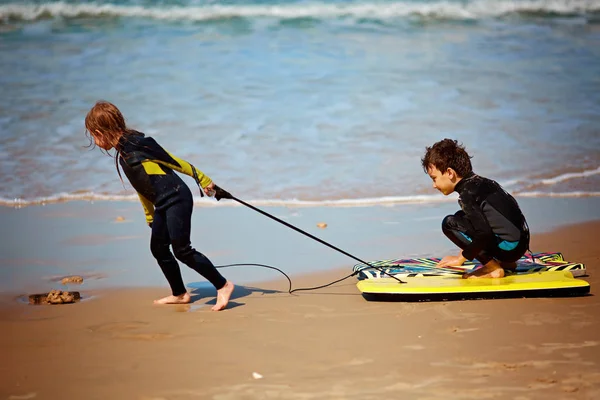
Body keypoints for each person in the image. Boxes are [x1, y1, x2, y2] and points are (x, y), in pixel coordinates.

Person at [84, 100, 234, 310]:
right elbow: (142, 187)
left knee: (182, 250)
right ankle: (180, 294)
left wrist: (204, 179)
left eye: (93, 136)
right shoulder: (124, 156)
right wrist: (149, 215)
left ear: (99, 132)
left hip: (177, 198)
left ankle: (223, 285)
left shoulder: (137, 143)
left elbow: (174, 161)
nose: (95, 140)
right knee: (159, 248)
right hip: (162, 203)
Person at [421, 138, 530, 279]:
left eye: (434, 178)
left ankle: (493, 269)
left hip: (509, 248)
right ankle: (507, 263)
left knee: (449, 223)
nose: (434, 185)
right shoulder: (483, 183)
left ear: (449, 173)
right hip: (519, 244)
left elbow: (484, 234)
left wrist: (461, 259)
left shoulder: (468, 195)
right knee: (461, 217)